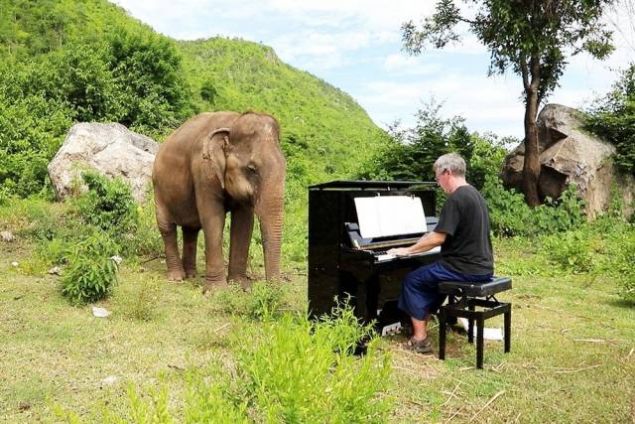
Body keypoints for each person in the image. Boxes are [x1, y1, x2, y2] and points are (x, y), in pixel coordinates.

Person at [387, 152, 493, 354]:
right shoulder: (474, 194)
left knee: (412, 280)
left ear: (447, 172)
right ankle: (419, 322)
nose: (438, 183)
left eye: (437, 178)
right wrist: (423, 241)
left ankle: (419, 339)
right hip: (482, 267)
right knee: (432, 279)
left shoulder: (456, 198)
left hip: (463, 268)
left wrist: (408, 250)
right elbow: (443, 233)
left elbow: (437, 238)